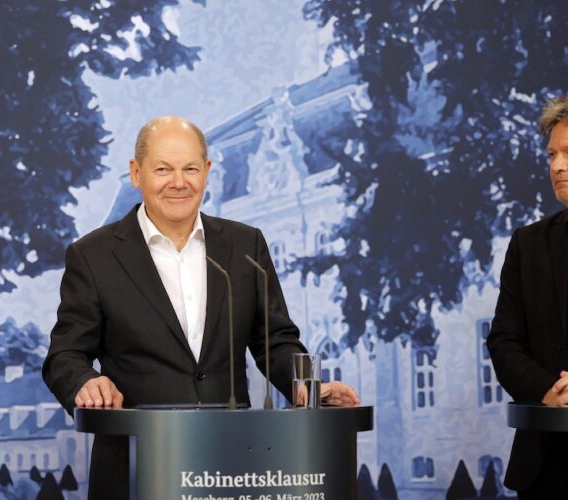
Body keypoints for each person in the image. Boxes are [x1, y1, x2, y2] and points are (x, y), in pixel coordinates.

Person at [42, 115, 359, 499]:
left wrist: (309, 386)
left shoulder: (246, 247)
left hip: (232, 468)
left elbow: (275, 340)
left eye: (190, 168)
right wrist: (85, 383)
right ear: (136, 172)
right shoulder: (94, 255)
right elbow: (65, 355)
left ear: (207, 173)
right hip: (135, 467)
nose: (179, 182)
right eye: (163, 169)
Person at [488, 93, 568, 499]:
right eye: (552, 154)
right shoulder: (528, 243)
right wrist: (548, 390)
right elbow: (504, 342)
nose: (557, 165)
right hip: (544, 465)